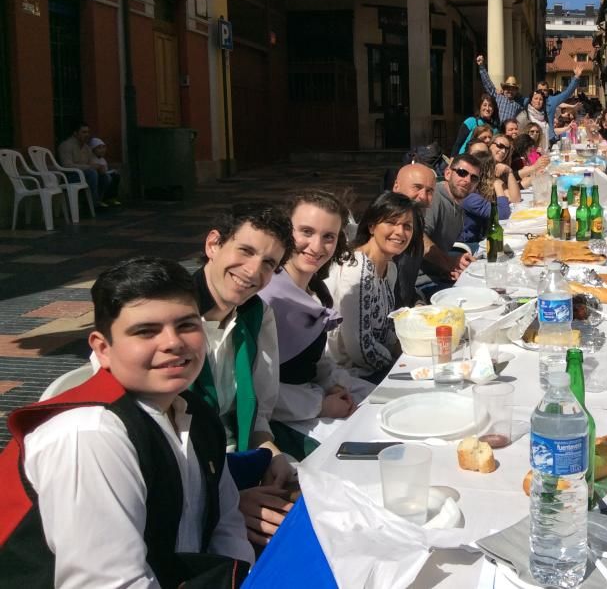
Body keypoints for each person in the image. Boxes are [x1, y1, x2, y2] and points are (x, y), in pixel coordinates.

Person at [0, 257, 254, 586]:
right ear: (103, 348)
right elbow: (108, 583)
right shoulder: (90, 435)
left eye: (186, 325)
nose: (172, 342)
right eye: (146, 331)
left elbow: (226, 523)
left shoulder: (195, 413)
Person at [190, 203, 296, 546]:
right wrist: (229, 500)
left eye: (268, 263)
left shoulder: (255, 315)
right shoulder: (169, 322)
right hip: (188, 488)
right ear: (213, 245)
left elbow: (257, 415)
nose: (253, 272)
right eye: (245, 251)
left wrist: (273, 454)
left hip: (238, 467)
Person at [260, 191, 373, 460]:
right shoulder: (267, 298)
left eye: (328, 237)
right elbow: (258, 392)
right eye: (306, 232)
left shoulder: (314, 290)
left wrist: (331, 385)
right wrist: (320, 405)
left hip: (313, 397)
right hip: (284, 422)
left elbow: (314, 358)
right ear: (287, 232)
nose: (316, 246)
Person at [325, 192, 422, 383]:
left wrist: (411, 349)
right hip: (346, 375)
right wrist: (401, 363)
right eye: (391, 222)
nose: (400, 232)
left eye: (407, 226)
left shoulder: (390, 269)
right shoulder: (357, 268)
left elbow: (385, 330)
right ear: (371, 226)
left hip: (372, 367)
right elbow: (361, 350)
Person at [420, 154, 481, 284]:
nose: (468, 180)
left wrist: (456, 262)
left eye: (474, 178)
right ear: (448, 173)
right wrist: (449, 263)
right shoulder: (435, 197)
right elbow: (419, 237)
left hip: (441, 274)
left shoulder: (458, 203)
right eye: (462, 173)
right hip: (422, 282)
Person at [392, 162, 437, 307]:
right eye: (417, 187)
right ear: (396, 187)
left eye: (429, 191)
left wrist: (418, 303)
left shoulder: (417, 226)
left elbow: (406, 287)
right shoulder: (386, 233)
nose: (423, 196)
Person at [459, 150, 512, 246]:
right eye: (493, 169)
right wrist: (498, 185)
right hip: (468, 244)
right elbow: (503, 214)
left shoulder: (480, 191)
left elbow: (512, 199)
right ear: (487, 173)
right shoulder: (470, 197)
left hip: (478, 238)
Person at [57, 123, 109, 209]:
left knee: (105, 176)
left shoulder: (86, 148)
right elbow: (67, 165)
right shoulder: (66, 145)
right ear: (75, 133)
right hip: (69, 176)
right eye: (84, 132)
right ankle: (94, 204)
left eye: (88, 132)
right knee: (92, 173)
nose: (87, 135)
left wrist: (99, 167)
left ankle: (95, 201)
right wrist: (89, 167)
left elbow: (90, 162)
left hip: (84, 174)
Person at [476, 54, 523, 124]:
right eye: (507, 88)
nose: (510, 91)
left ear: (516, 91)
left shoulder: (518, 105)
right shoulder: (498, 96)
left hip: (507, 133)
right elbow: (488, 84)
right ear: (503, 89)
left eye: (513, 89)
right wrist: (482, 67)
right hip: (494, 128)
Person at [88, 137, 121, 206]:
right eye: (99, 148)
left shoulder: (102, 159)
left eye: (103, 147)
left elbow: (105, 169)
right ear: (93, 149)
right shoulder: (91, 159)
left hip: (103, 174)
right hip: (97, 177)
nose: (102, 150)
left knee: (116, 176)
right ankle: (98, 200)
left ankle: (110, 198)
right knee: (106, 178)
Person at [489, 134, 522, 200]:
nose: (503, 151)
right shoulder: (481, 167)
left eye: (507, 149)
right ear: (489, 145)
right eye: (500, 146)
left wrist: (509, 171)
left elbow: (516, 199)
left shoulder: (502, 168)